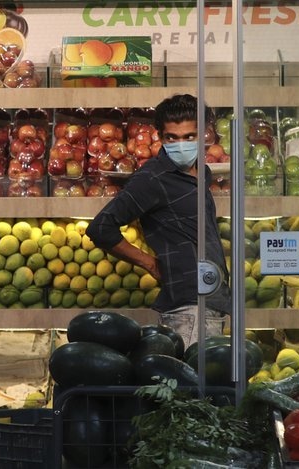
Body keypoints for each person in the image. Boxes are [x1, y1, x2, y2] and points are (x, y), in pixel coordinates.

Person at [86, 94, 231, 346]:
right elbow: (101, 227)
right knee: (192, 382)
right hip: (188, 308)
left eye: (189, 137)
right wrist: (149, 263)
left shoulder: (203, 173)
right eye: (171, 138)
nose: (181, 144)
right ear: (161, 136)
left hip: (211, 300)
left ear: (205, 133)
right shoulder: (152, 178)